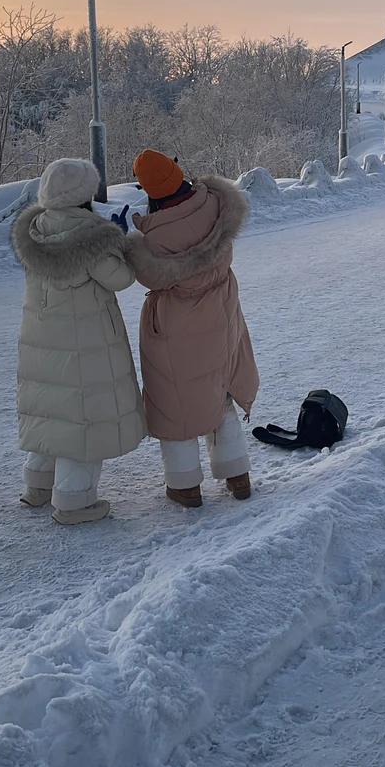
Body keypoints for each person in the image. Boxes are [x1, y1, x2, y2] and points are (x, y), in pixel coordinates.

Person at [10, 158, 146, 525]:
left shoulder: (35, 229)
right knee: (84, 418)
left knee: (51, 410)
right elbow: (120, 279)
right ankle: (73, 500)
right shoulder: (92, 238)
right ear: (84, 194)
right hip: (85, 346)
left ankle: (37, 486)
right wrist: (120, 242)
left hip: (42, 340)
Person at [125, 150, 259, 507]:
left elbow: (146, 275)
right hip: (221, 311)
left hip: (177, 326)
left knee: (176, 404)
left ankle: (184, 485)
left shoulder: (153, 238)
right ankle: (237, 473)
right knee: (219, 389)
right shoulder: (214, 204)